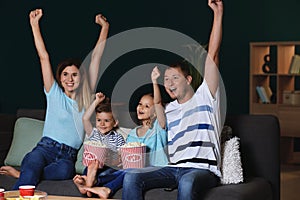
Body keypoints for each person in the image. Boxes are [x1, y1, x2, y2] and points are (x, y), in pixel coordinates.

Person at [122, 0, 223, 199]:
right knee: (131, 177)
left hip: (202, 170)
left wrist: (218, 14)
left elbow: (212, 55)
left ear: (188, 79)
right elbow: (156, 105)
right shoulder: (169, 109)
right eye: (166, 80)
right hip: (173, 168)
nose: (169, 83)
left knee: (187, 182)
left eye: (174, 78)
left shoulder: (206, 96)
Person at [0, 8, 109, 190]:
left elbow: (96, 57)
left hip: (67, 156)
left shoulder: (87, 99)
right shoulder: (54, 93)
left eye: (74, 75)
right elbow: (44, 57)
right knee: (33, 161)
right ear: (60, 78)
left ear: (81, 77)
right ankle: (17, 191)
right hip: (45, 148)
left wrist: (105, 27)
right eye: (65, 74)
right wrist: (34, 25)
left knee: (66, 171)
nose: (69, 79)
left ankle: (22, 173)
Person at [74, 66, 169, 199]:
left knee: (131, 171)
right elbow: (125, 158)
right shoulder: (133, 133)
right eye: (140, 104)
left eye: (147, 106)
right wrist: (117, 159)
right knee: (116, 169)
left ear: (155, 113)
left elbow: (158, 104)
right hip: (131, 169)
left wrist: (154, 81)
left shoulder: (158, 129)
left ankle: (104, 187)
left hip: (154, 168)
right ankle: (91, 180)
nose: (141, 107)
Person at [73, 92, 125, 197]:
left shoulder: (118, 138)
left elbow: (121, 157)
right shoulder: (93, 133)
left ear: (115, 123)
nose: (102, 124)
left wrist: (112, 160)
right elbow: (85, 119)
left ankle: (88, 183)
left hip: (108, 168)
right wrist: (96, 101)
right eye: (99, 120)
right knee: (90, 167)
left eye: (106, 121)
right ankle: (89, 180)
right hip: (92, 166)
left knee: (121, 173)